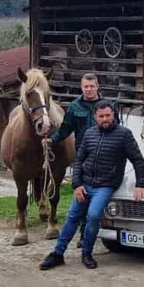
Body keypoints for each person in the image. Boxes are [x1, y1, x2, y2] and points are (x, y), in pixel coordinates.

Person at [40, 101, 144, 271]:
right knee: (72, 217)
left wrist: (141, 184)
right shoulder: (89, 134)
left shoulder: (124, 134)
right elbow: (79, 160)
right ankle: (57, 254)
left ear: (113, 115)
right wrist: (77, 184)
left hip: (105, 185)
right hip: (85, 183)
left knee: (94, 215)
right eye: (101, 116)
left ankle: (87, 253)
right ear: (96, 117)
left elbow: (138, 160)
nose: (105, 119)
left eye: (108, 116)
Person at [50, 73, 113, 247]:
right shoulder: (75, 107)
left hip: (104, 158)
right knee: (82, 196)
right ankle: (83, 234)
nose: (89, 89)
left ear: (97, 86)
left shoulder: (107, 106)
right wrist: (52, 140)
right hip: (83, 157)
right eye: (86, 86)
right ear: (81, 87)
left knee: (98, 197)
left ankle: (90, 233)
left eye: (92, 86)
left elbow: (116, 128)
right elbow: (65, 129)